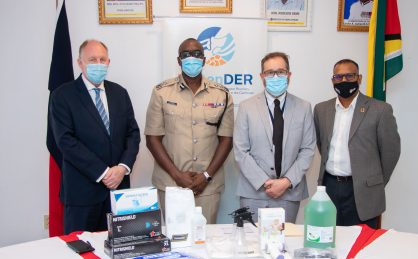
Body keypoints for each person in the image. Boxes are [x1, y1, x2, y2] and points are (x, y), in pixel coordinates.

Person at [50, 39, 140, 234]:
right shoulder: (62, 96)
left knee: (119, 254)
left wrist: (122, 168)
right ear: (80, 62)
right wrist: (103, 172)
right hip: (82, 195)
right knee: (81, 255)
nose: (98, 64)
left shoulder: (119, 93)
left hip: (118, 192)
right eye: (92, 59)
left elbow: (132, 134)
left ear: (108, 62)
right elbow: (66, 141)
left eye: (102, 59)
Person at [145, 38, 233, 224]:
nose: (191, 58)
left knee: (205, 239)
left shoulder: (222, 94)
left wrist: (206, 176)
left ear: (204, 59)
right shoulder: (161, 92)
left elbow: (226, 140)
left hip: (208, 186)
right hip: (171, 183)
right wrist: (177, 175)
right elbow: (152, 139)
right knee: (175, 241)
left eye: (196, 54)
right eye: (186, 55)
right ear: (179, 61)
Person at [314, 59, 400, 229]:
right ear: (333, 80)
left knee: (362, 245)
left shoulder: (380, 110)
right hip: (329, 186)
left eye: (349, 75)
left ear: (359, 78)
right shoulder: (321, 109)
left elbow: (391, 152)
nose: (344, 81)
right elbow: (321, 143)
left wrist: (374, 181)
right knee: (328, 239)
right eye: (338, 77)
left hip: (362, 190)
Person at [233, 52, 316, 223]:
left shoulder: (304, 107)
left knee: (283, 244)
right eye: (270, 72)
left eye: (281, 71)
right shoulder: (246, 107)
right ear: (262, 76)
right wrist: (265, 182)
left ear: (289, 75)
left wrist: (286, 182)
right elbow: (241, 151)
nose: (275, 76)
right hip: (253, 193)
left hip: (289, 192)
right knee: (253, 244)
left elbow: (307, 149)